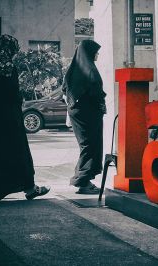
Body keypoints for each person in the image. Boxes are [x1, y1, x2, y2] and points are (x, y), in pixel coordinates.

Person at [0, 34, 50, 204]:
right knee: (17, 153)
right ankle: (30, 189)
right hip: (7, 119)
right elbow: (12, 94)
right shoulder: (6, 66)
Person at [62, 40, 106, 194]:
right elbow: (96, 92)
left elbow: (65, 90)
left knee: (86, 145)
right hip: (88, 114)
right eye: (96, 52)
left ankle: (84, 179)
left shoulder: (73, 70)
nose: (97, 54)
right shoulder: (90, 71)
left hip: (77, 113)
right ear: (89, 53)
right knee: (90, 145)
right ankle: (83, 181)